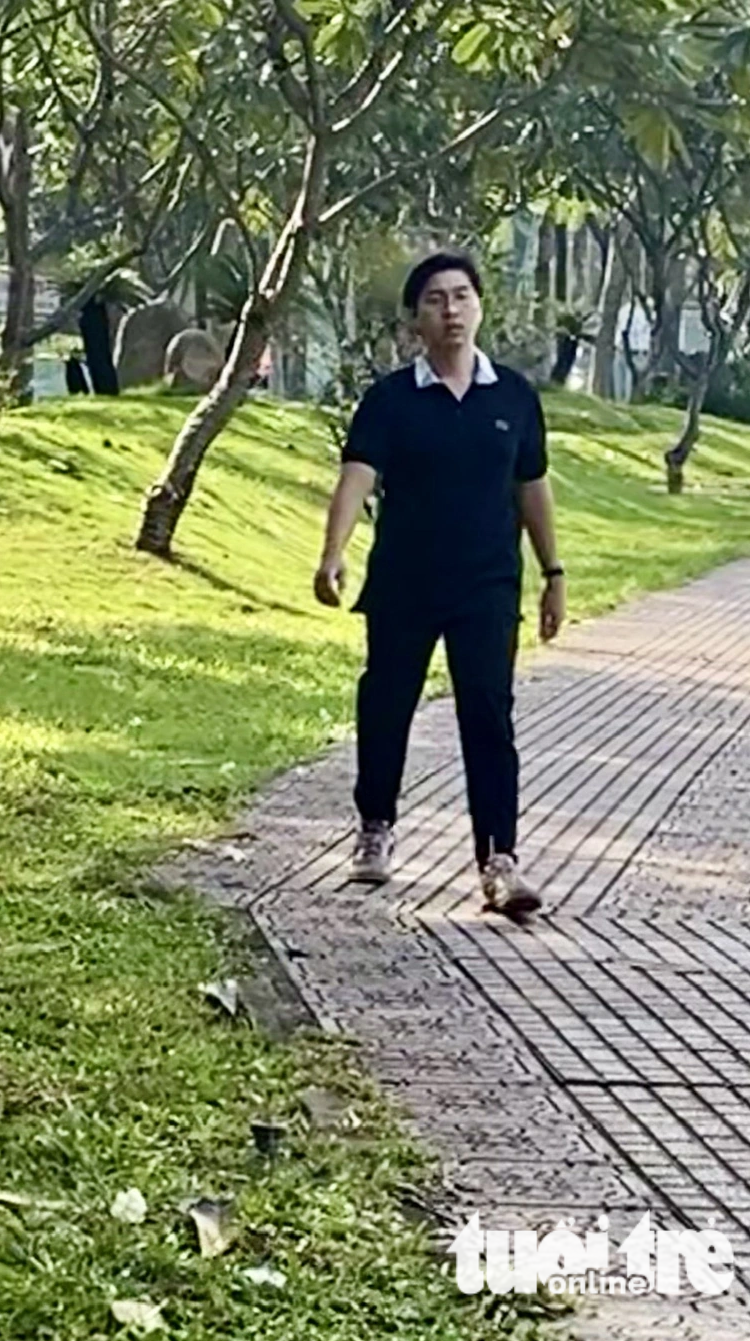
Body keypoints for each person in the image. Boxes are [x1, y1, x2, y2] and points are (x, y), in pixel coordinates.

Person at [313, 252, 565, 919]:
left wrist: (553, 574)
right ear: (414, 319)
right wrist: (333, 554)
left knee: (488, 715)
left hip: (487, 584)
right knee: (386, 705)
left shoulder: (513, 396)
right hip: (404, 582)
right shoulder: (392, 400)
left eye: (461, 297)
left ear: (480, 307)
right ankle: (374, 830)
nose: (450, 310)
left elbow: (531, 487)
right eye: (434, 300)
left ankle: (499, 861)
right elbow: (358, 474)